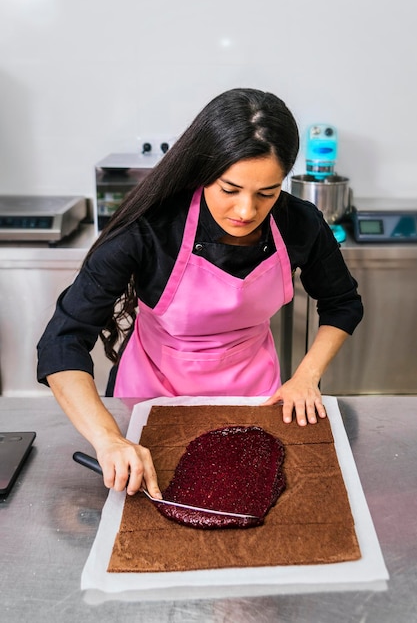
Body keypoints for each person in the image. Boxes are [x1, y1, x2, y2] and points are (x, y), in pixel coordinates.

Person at [37, 88, 363, 499]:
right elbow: (62, 340)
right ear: (203, 170)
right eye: (230, 189)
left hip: (255, 395)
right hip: (152, 392)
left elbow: (342, 304)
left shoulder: (300, 223)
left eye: (267, 193)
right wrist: (109, 440)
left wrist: (306, 377)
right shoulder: (149, 229)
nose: (246, 211)